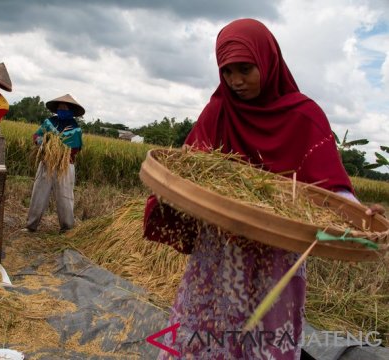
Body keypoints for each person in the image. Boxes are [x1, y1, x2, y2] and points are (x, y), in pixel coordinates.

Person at [143, 18, 384, 359]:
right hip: (220, 252)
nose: (235, 81)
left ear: (268, 60)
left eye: (245, 69)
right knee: (206, 331)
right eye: (227, 71)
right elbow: (190, 168)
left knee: (265, 336)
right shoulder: (219, 111)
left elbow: (330, 188)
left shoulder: (304, 117)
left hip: (276, 253)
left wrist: (360, 215)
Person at [26, 94, 84, 232]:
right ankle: (31, 225)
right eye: (60, 107)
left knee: (65, 197)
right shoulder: (49, 122)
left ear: (71, 111)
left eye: (65, 108)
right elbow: (36, 135)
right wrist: (41, 141)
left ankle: (67, 228)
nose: (62, 110)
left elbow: (76, 148)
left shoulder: (75, 128)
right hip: (46, 163)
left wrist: (60, 152)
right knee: (39, 193)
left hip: (64, 166)